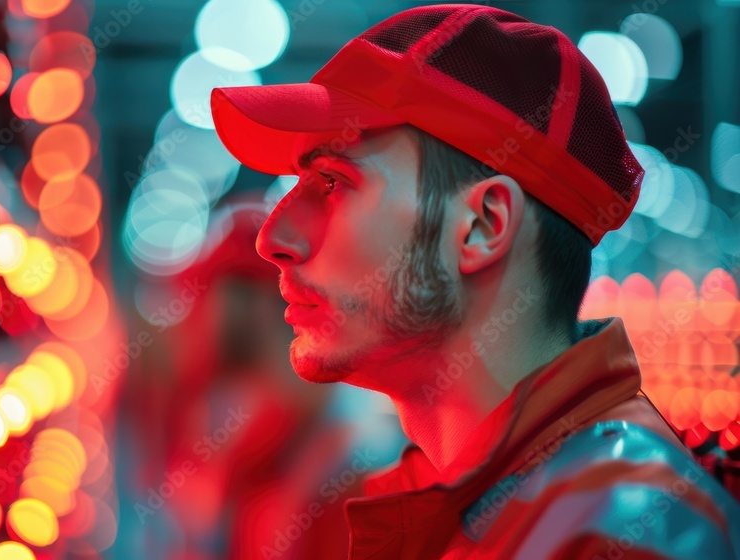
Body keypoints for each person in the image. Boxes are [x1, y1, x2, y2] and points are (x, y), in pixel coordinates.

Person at [209, 4, 740, 559]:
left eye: (333, 181)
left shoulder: (612, 539)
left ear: (484, 225)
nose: (272, 237)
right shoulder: (493, 504)